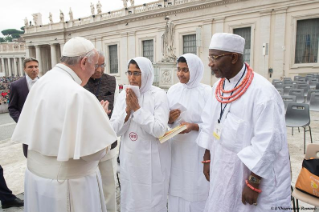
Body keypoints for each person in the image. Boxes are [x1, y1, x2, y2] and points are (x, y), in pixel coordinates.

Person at [11, 37, 117, 212]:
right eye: (94, 65)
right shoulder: (79, 95)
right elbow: (95, 152)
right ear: (84, 62)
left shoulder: (41, 83)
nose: (94, 71)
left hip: (36, 179)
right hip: (69, 187)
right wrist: (101, 118)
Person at [197, 33, 291, 212]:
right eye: (210, 57)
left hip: (251, 175)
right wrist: (207, 157)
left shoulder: (263, 92)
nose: (210, 63)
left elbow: (269, 142)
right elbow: (209, 123)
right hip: (222, 166)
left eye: (215, 57)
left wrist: (254, 182)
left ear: (234, 57)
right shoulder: (219, 87)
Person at [110, 57, 170, 212]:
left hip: (152, 163)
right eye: (129, 72)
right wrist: (127, 112)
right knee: (131, 201)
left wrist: (137, 109)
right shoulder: (125, 94)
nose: (131, 77)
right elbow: (114, 130)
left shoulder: (159, 95)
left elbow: (159, 130)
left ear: (147, 74)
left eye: (136, 73)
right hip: (130, 160)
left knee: (152, 202)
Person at [167, 53, 211, 212]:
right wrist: (170, 119)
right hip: (177, 148)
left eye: (185, 70)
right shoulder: (173, 90)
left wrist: (193, 126)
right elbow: (165, 120)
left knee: (195, 185)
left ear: (196, 70)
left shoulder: (207, 92)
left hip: (197, 148)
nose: (180, 73)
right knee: (177, 185)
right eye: (178, 69)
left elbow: (213, 125)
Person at [84, 50, 119, 212]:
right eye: (96, 65)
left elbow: (117, 111)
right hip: (86, 143)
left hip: (108, 143)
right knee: (86, 184)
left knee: (108, 184)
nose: (99, 69)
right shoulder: (80, 82)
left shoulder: (112, 81)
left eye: (102, 65)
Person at [9, 57, 39, 123]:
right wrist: (21, 122)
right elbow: (12, 107)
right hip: (25, 123)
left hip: (43, 123)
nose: (34, 69)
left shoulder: (45, 83)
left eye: (36, 66)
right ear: (24, 69)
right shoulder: (16, 85)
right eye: (30, 67)